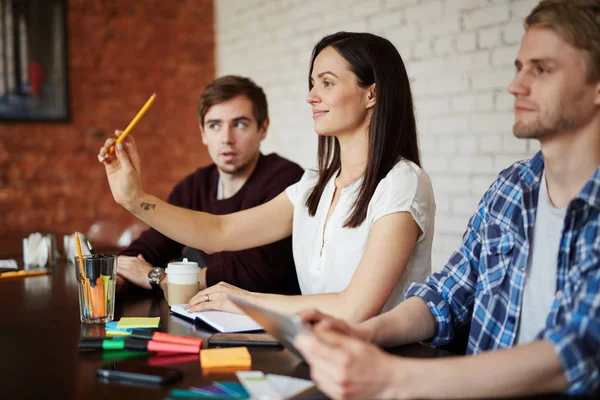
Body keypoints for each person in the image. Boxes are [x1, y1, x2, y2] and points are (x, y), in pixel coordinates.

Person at [293, 0, 600, 398]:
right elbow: (445, 297)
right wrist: (362, 333)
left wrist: (392, 377)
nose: (515, 86)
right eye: (518, 68)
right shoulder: (510, 189)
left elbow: (579, 349)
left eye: (541, 70)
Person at [98, 32, 436, 323]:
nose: (311, 96)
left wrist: (247, 302)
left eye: (327, 83)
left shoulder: (401, 183)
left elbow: (354, 308)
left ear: (371, 94)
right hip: (322, 353)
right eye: (313, 83)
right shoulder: (313, 186)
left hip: (383, 368)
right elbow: (219, 232)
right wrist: (134, 198)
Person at [101, 75, 304, 295]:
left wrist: (159, 278)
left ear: (262, 129)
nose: (226, 138)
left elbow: (256, 272)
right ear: (203, 133)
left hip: (271, 321)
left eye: (239, 124)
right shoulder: (195, 186)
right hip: (213, 316)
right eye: (215, 125)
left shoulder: (286, 179)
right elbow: (153, 244)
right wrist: (119, 277)